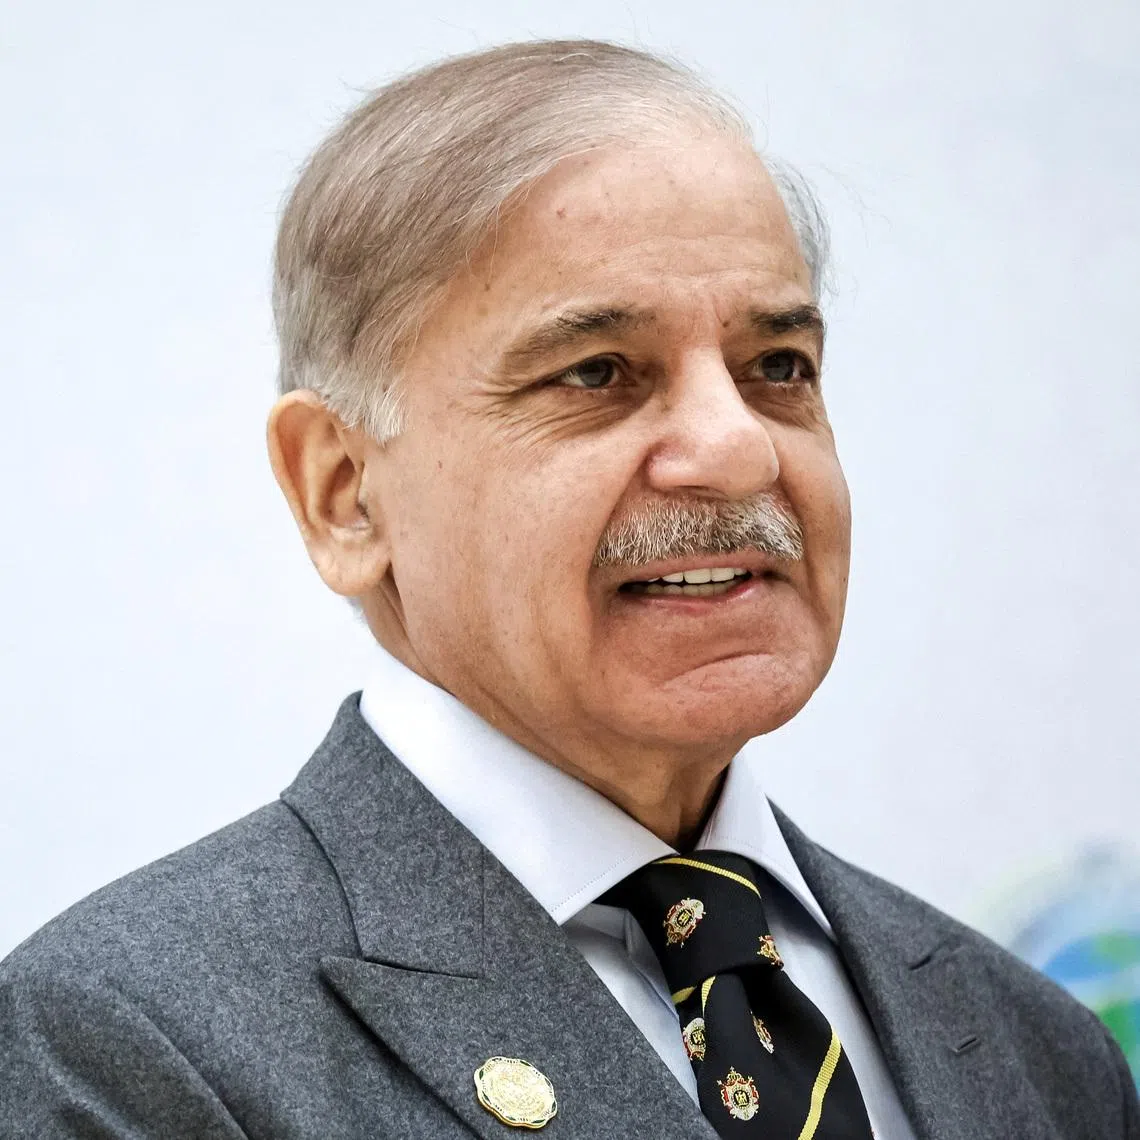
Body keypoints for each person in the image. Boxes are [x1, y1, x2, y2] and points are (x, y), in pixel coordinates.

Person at [0, 38, 1135, 1140]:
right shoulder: (127, 1044)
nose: (738, 453)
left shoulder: (1040, 1045)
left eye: (777, 368)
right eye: (598, 373)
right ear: (345, 492)